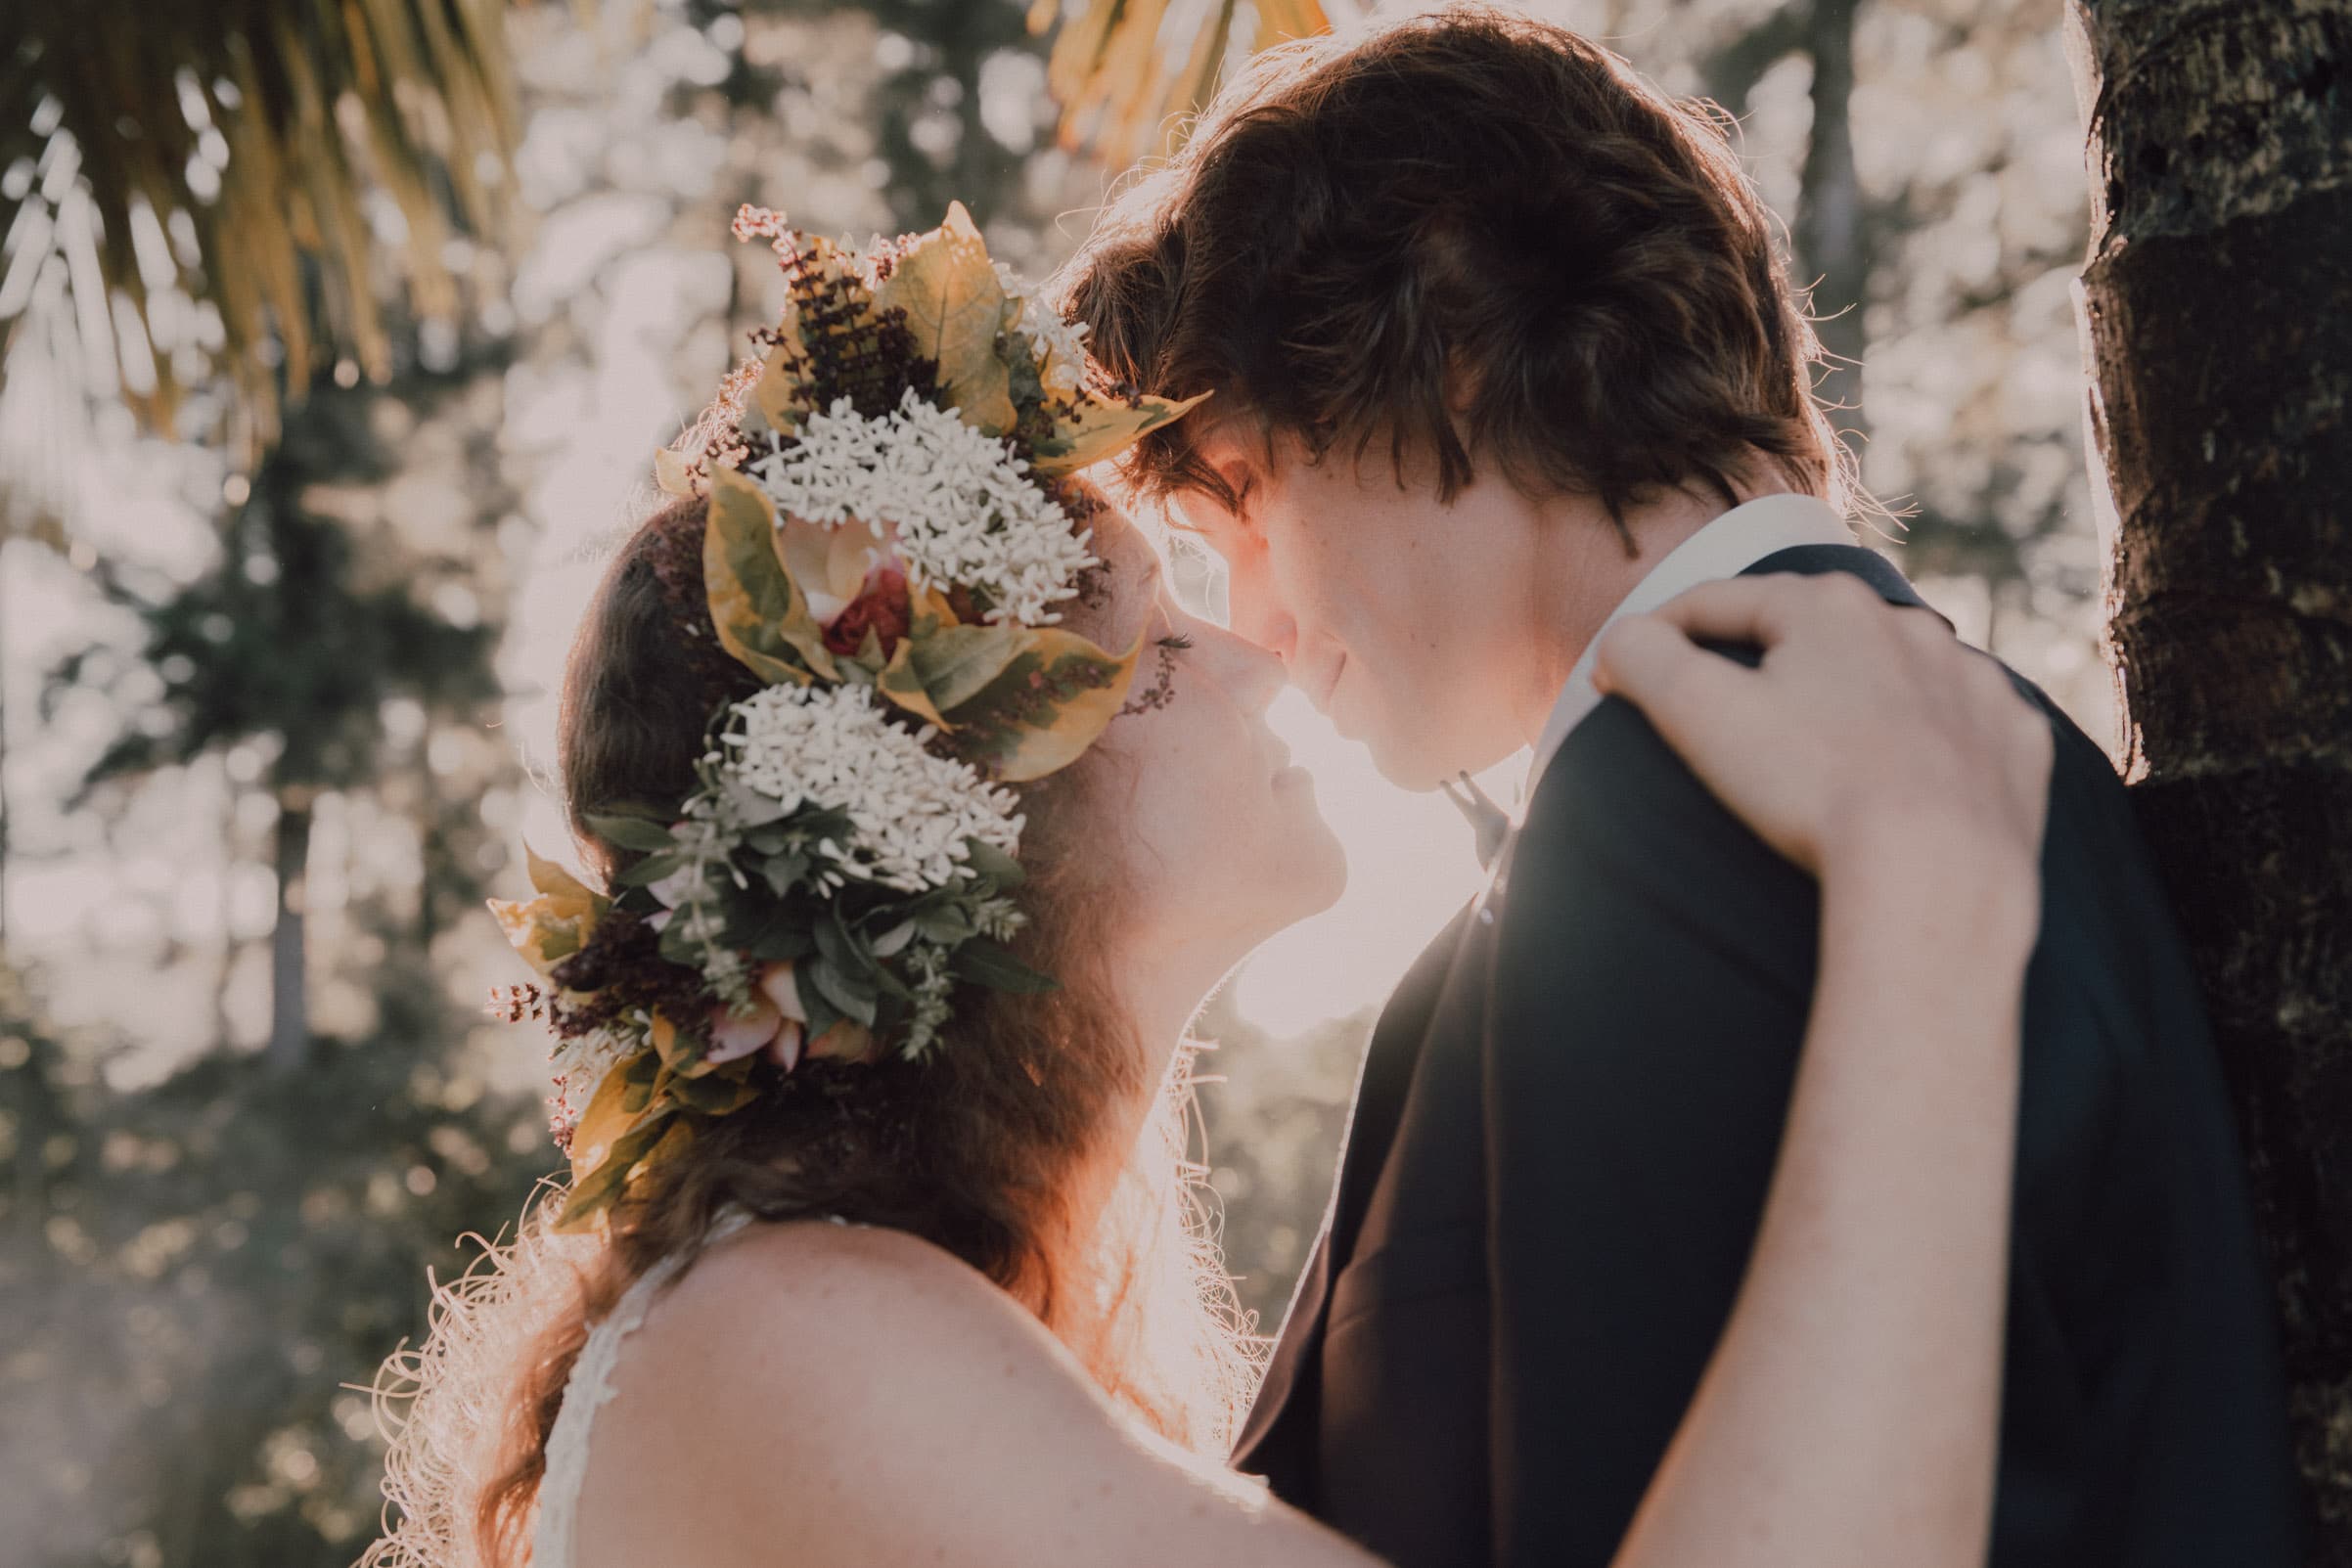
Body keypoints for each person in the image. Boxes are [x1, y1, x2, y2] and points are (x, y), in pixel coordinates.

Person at [366, 203, 2053, 1568]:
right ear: (956, 820)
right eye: (1155, 656)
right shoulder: (792, 1337)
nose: (1250, 662)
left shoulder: (925, 1333)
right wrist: (1934, 909)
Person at [1055, 9, 2298, 1566]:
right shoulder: (1926, 772)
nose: (1249, 622)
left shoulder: (1708, 821)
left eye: (1239, 501)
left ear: (1444, 329)